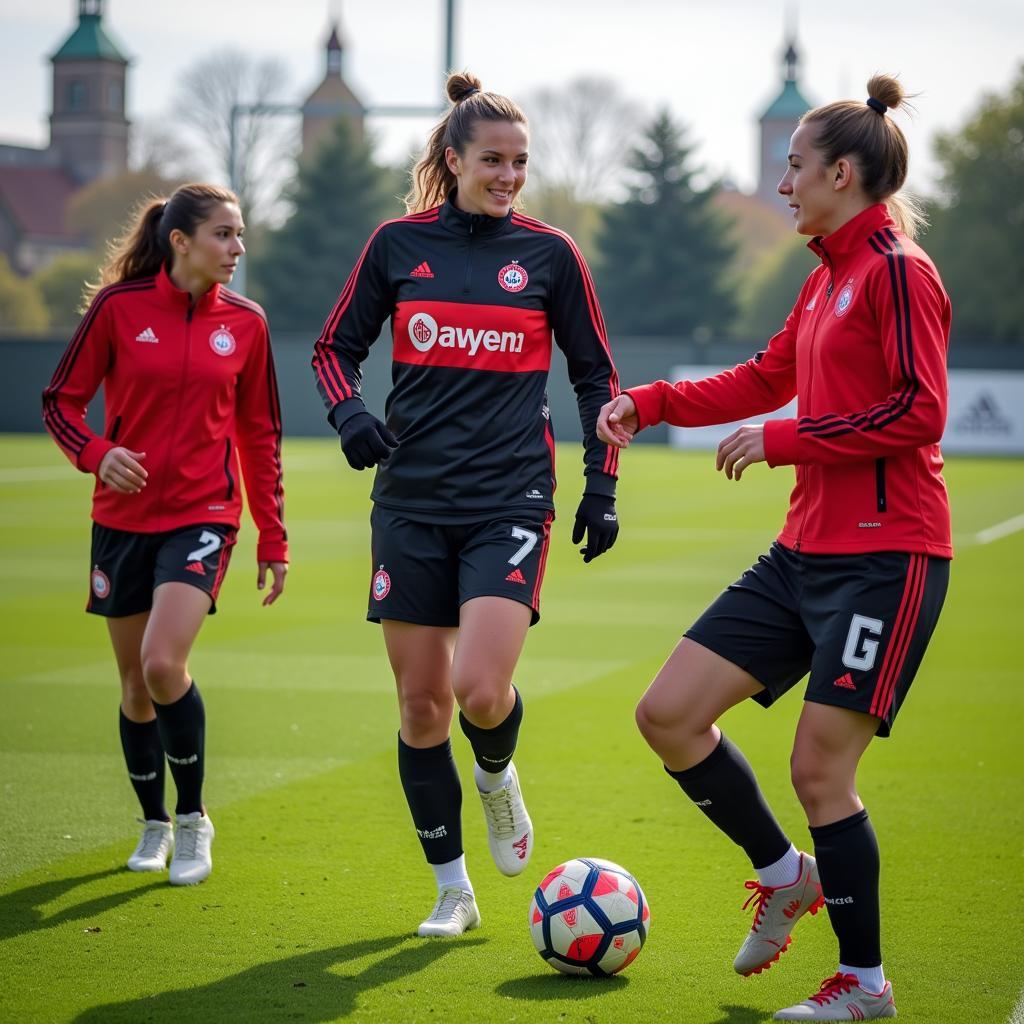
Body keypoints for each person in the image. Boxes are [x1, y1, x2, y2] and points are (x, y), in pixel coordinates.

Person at [598, 74, 950, 1021]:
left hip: (889, 558)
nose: (783, 183)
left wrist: (787, 438)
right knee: (668, 715)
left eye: (794, 167)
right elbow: (766, 375)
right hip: (803, 554)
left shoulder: (899, 272)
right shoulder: (825, 275)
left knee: (819, 771)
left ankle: (865, 985)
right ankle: (782, 873)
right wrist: (655, 401)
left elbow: (921, 413)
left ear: (842, 172)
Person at [313, 71, 620, 937]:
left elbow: (596, 375)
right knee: (420, 708)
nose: (510, 176)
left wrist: (602, 485)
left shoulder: (553, 255)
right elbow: (335, 347)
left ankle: (495, 776)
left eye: (521, 162)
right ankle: (452, 890)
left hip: (510, 498)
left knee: (480, 691)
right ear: (452, 160)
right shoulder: (395, 246)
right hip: (409, 502)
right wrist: (349, 415)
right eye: (493, 160)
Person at [42, 183, 288, 886]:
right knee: (133, 684)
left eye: (240, 235)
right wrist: (97, 454)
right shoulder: (118, 310)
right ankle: (151, 823)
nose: (237, 249)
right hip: (120, 523)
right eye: (224, 235)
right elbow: (60, 402)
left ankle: (191, 820)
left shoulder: (246, 323)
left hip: (204, 515)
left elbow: (259, 434)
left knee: (160, 663)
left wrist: (273, 537)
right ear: (180, 240)